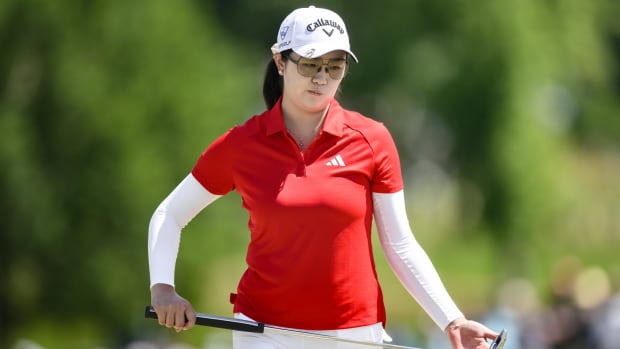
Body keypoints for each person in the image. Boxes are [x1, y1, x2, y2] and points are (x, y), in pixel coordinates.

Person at [148, 5, 499, 349]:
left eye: (334, 67)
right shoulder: (241, 144)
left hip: (354, 333)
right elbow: (170, 214)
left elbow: (400, 244)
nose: (321, 78)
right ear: (281, 62)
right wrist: (163, 289)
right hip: (264, 332)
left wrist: (452, 320)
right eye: (310, 64)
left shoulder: (372, 140)